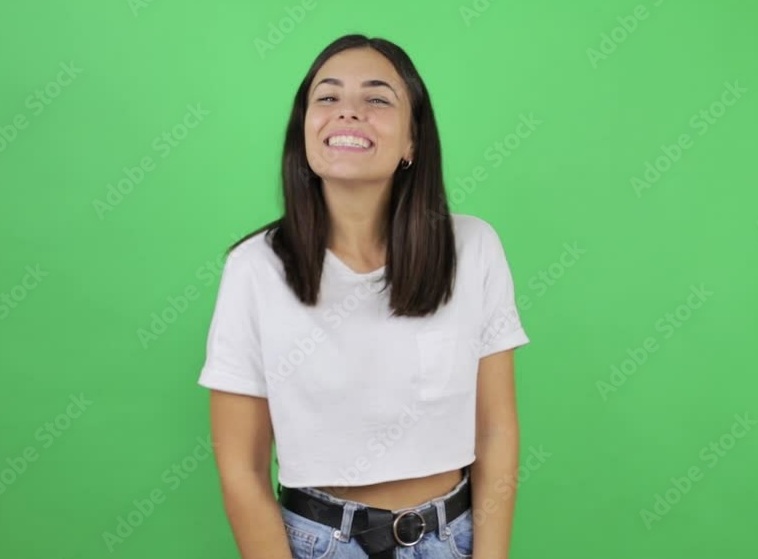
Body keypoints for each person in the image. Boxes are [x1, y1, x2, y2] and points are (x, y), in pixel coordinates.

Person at [197, 33, 531, 558]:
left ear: (412, 142)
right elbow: (241, 468)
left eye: (377, 98)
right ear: (304, 131)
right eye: (328, 97)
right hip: (320, 544)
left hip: (451, 539)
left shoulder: (473, 248)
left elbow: (495, 432)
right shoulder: (255, 268)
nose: (348, 112)